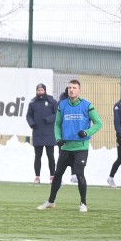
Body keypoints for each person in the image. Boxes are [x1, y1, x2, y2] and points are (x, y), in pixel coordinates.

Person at [37, 79, 103, 213]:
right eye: (69, 88)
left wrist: (86, 132)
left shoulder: (87, 105)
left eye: (74, 88)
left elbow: (98, 123)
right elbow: (57, 124)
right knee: (57, 175)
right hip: (66, 148)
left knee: (79, 174)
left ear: (79, 90)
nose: (71, 90)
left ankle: (83, 203)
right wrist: (58, 138)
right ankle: (51, 201)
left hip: (81, 148)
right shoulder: (62, 105)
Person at [26, 83, 57, 184]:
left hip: (49, 133)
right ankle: (37, 177)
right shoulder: (33, 103)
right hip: (37, 133)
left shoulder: (52, 101)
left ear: (45, 90)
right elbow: (28, 116)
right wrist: (32, 124)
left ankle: (52, 176)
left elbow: (57, 114)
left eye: (41, 90)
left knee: (50, 155)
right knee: (37, 155)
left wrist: (48, 119)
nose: (40, 92)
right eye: (38, 90)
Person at [59, 86, 78, 184]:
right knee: (62, 157)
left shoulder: (77, 103)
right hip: (64, 134)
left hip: (73, 134)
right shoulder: (62, 104)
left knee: (74, 154)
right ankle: (60, 177)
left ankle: (74, 174)